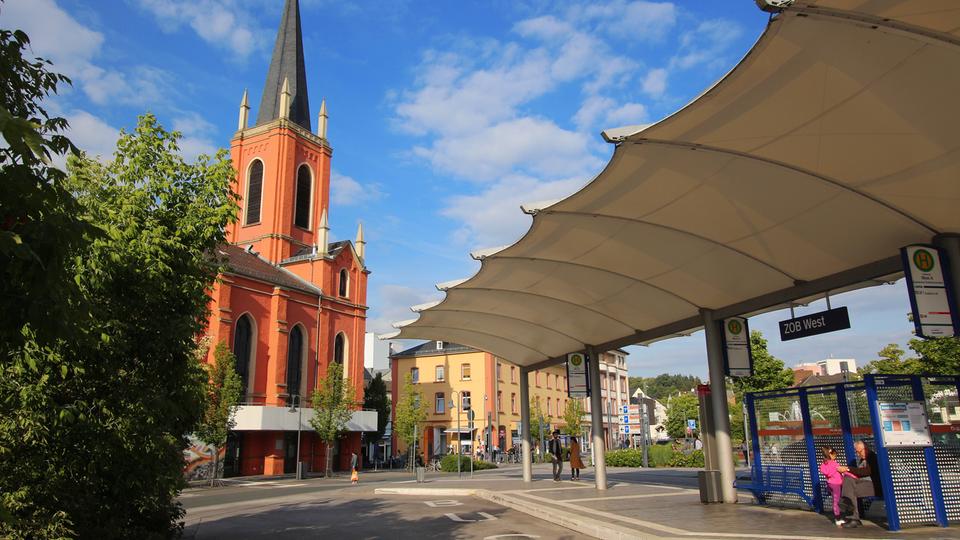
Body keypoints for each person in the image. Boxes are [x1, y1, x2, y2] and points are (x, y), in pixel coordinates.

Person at [837, 440, 882, 528]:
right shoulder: (863, 459)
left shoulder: (872, 457)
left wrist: (848, 469)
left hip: (876, 485)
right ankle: (851, 511)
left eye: (859, 451)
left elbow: (867, 471)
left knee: (850, 490)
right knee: (848, 480)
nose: (858, 454)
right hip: (867, 483)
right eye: (857, 452)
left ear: (866, 448)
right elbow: (860, 473)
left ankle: (852, 514)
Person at [819, 446, 855, 527]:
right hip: (836, 484)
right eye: (834, 455)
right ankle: (837, 518)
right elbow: (841, 470)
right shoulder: (834, 464)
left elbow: (825, 472)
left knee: (835, 500)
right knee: (837, 501)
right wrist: (852, 475)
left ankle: (838, 517)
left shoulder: (824, 464)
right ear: (830, 455)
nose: (835, 456)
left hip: (830, 483)